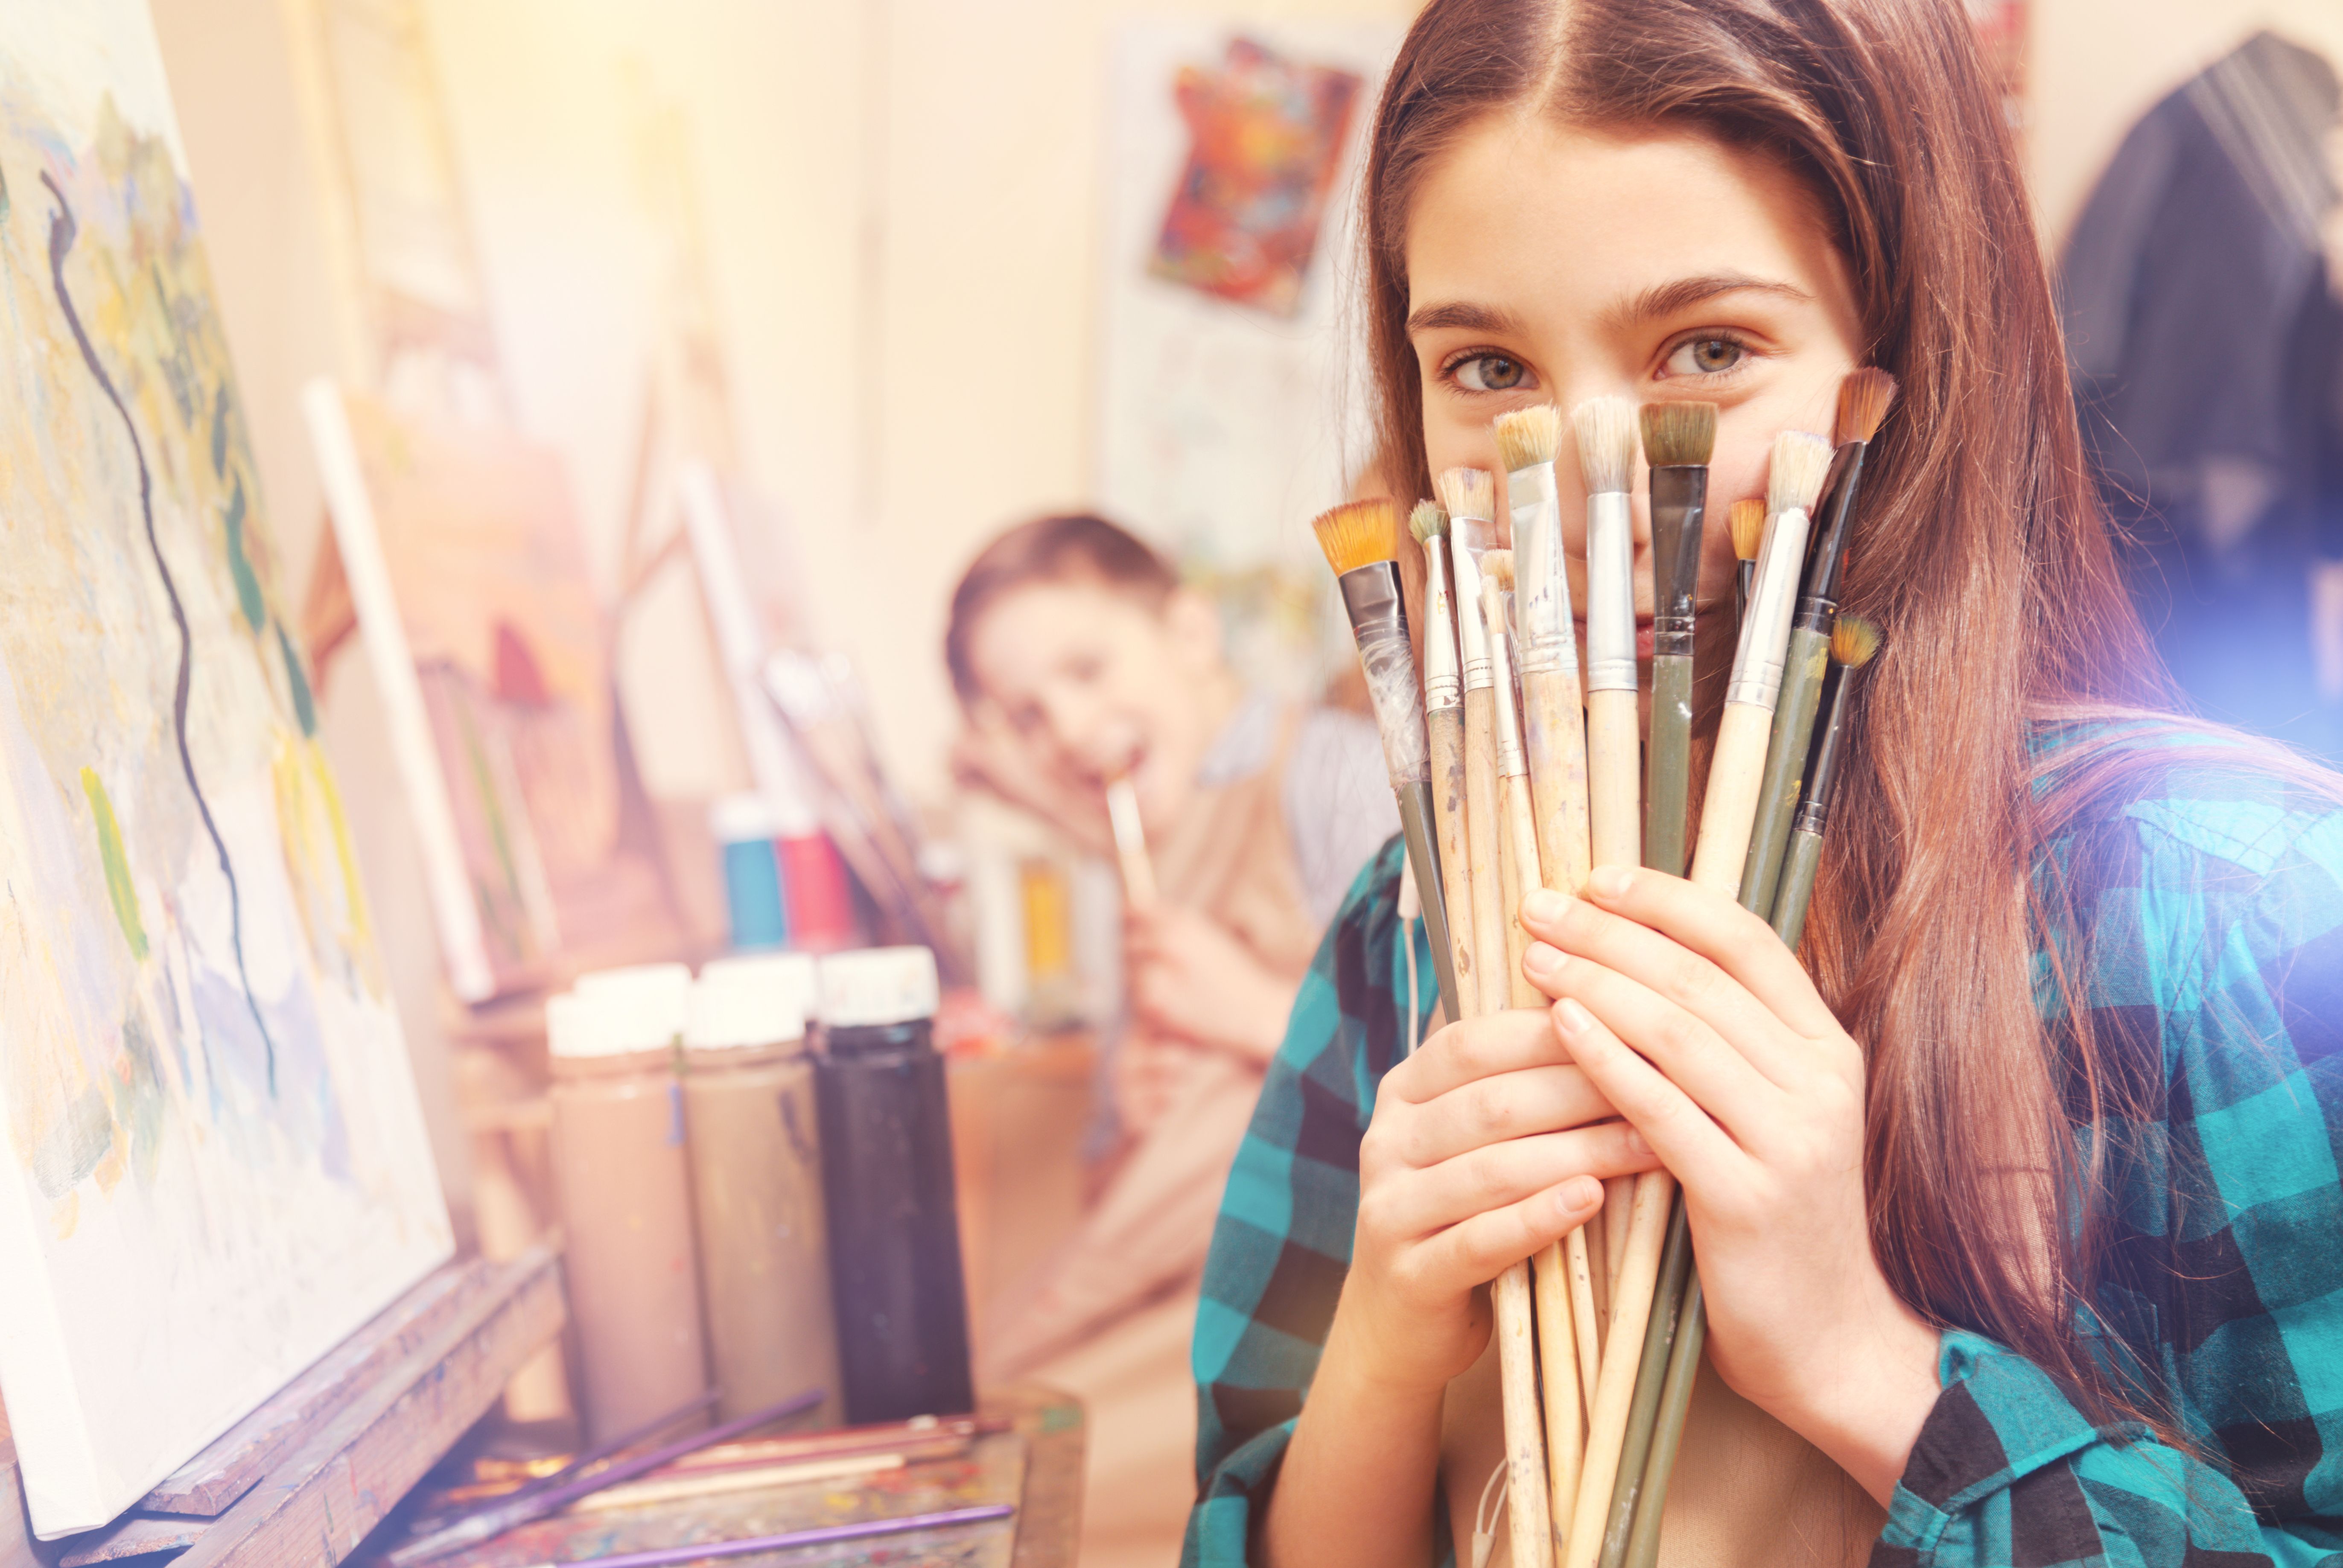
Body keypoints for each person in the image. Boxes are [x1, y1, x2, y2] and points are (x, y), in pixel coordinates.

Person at [1186, 2, 2343, 1566]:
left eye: (1708, 350)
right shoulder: (1407, 919)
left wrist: (1860, 1364)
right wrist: (1387, 1349)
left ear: (1913, 360)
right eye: (1485, 363)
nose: (1589, 474)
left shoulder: (2234, 899)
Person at [943, 512, 1398, 1567]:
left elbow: (1461, 1044)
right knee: (977, 1458)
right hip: (1168, 1293)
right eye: (1028, 712)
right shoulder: (1133, 863)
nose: (1067, 724)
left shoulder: (1332, 777)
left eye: (1089, 667)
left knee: (1023, 1505)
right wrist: (1134, 1123)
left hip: (1320, 1305)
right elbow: (1118, 1203)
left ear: (1192, 633)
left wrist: (1250, 1010)